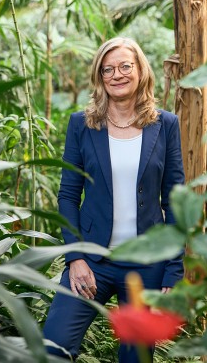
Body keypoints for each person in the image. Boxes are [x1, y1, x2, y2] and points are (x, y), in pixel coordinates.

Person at [42, 36, 185, 362]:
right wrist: (75, 257)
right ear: (100, 76)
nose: (117, 75)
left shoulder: (165, 125)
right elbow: (67, 194)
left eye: (125, 66)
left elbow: (174, 200)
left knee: (136, 358)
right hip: (92, 258)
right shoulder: (82, 124)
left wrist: (173, 271)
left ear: (140, 71)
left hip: (147, 266)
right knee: (53, 346)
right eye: (108, 69)